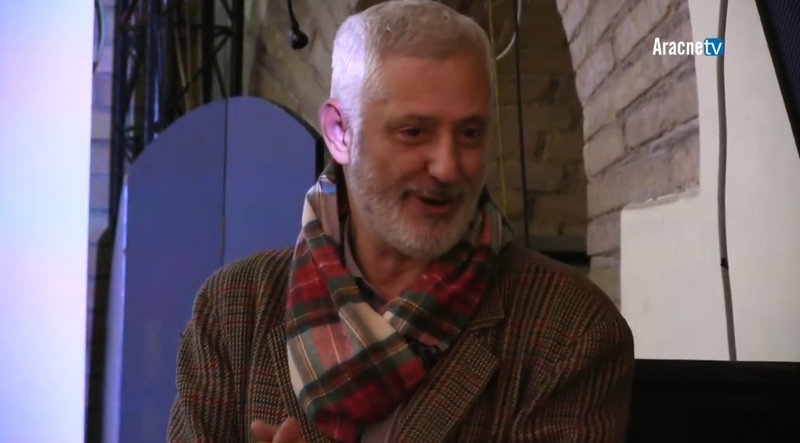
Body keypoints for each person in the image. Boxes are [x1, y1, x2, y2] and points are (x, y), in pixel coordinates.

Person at [167, 1, 634, 442]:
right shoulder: (234, 310)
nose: (448, 167)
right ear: (339, 133)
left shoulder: (570, 329)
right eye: (414, 132)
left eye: (470, 133)